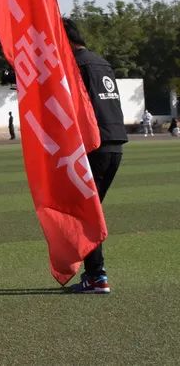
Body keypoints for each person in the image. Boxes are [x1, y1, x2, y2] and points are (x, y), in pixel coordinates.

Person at [63, 18, 127, 294]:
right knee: (89, 209)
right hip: (114, 143)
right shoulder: (101, 62)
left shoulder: (76, 65)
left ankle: (96, 276)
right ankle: (94, 274)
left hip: (94, 144)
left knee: (85, 212)